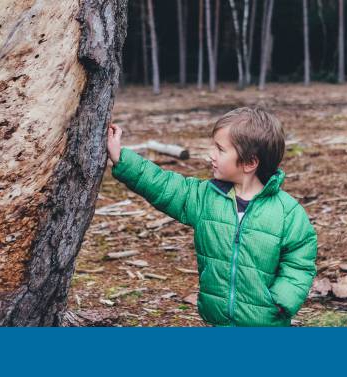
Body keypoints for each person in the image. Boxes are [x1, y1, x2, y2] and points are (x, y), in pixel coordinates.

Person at [107, 107, 317, 326]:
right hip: (217, 320)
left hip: (266, 323)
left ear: (249, 163)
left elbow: (300, 260)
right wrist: (121, 158)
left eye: (220, 149)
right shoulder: (205, 197)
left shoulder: (287, 212)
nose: (211, 155)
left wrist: (282, 300)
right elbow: (163, 185)